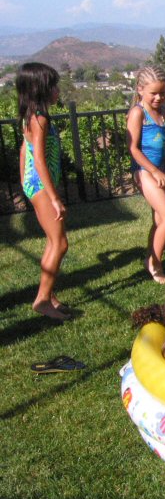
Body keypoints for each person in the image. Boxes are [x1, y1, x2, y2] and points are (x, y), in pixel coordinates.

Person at [16, 62, 70, 321]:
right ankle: (42, 300)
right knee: (60, 243)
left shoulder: (31, 116)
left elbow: (24, 151)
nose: (57, 90)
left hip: (35, 184)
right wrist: (54, 197)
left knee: (52, 241)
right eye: (54, 85)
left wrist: (24, 182)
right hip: (41, 185)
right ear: (41, 89)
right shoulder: (40, 119)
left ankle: (50, 295)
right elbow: (38, 159)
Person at [126, 66, 165, 284]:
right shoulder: (138, 113)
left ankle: (151, 257)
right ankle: (154, 263)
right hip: (145, 171)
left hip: (160, 170)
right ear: (140, 89)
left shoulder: (163, 112)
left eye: (162, 93)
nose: (158, 97)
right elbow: (133, 149)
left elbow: (163, 145)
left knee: (159, 220)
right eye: (153, 93)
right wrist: (154, 171)